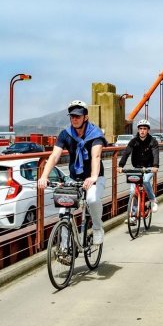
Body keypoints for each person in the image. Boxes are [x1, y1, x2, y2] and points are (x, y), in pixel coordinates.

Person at [38, 100, 107, 245]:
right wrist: (44, 176)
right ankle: (64, 247)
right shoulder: (66, 134)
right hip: (74, 177)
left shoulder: (95, 134)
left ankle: (97, 228)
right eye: (72, 116)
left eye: (78, 116)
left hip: (94, 177)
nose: (74, 119)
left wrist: (93, 177)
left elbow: (96, 156)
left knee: (92, 200)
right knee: (64, 211)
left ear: (85, 117)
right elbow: (54, 156)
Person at [117, 119, 160, 216]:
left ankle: (153, 200)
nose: (142, 131)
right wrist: (120, 166)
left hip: (149, 168)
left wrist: (155, 166)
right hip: (136, 167)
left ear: (148, 130)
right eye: (140, 128)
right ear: (138, 130)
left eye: (145, 129)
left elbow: (155, 154)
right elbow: (126, 153)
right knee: (133, 191)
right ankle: (132, 215)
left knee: (145, 181)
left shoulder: (153, 141)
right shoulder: (134, 141)